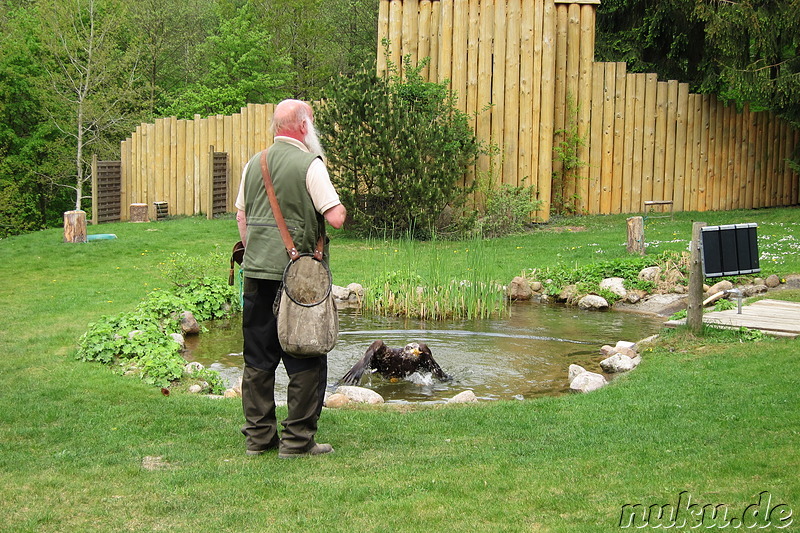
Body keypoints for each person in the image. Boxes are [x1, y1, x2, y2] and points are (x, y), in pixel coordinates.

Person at [235, 99, 346, 458]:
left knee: (257, 359)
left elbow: (242, 218)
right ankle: (297, 442)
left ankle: (259, 439)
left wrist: (259, 251)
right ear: (302, 126)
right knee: (306, 357)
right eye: (311, 122)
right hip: (299, 282)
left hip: (255, 274)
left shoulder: (255, 163)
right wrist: (341, 205)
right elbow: (335, 219)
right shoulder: (310, 165)